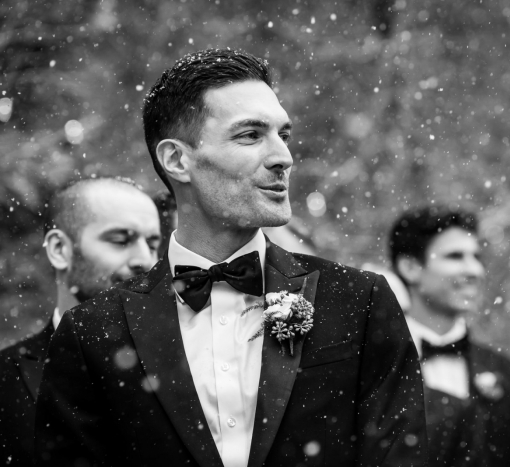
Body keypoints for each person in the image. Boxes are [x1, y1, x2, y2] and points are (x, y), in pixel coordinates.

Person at [35, 49, 427, 467]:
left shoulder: (359, 301)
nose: (283, 157)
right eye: (251, 135)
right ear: (177, 160)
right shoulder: (91, 332)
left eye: (284, 135)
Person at [0, 177, 161, 467]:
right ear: (60, 249)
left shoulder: (184, 360)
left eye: (152, 244)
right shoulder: (4, 380)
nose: (145, 260)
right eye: (121, 240)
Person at [389, 206, 510, 467]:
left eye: (477, 257)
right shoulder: (372, 363)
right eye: (455, 256)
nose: (474, 270)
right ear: (410, 267)